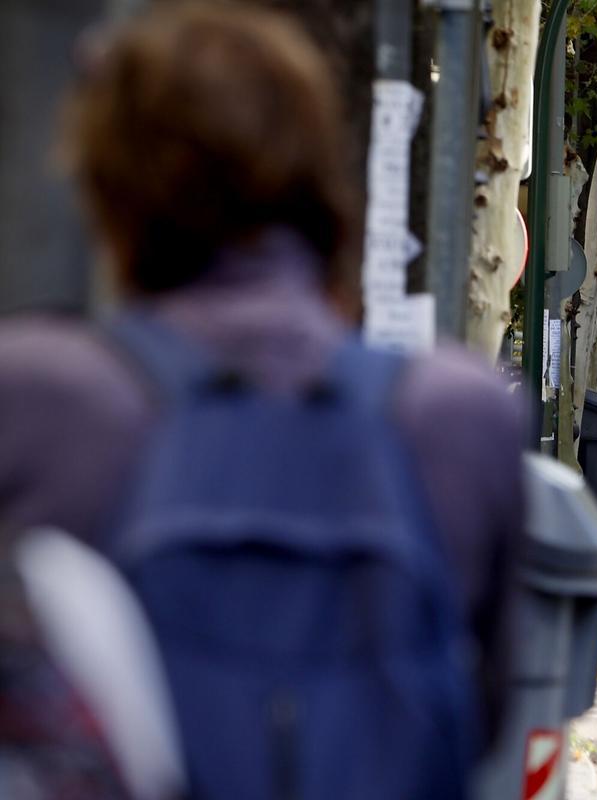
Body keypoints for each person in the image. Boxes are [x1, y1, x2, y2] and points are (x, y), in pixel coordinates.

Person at [0, 1, 524, 795]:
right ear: (324, 178)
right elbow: (488, 720)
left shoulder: (39, 398)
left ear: (110, 194)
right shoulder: (458, 415)